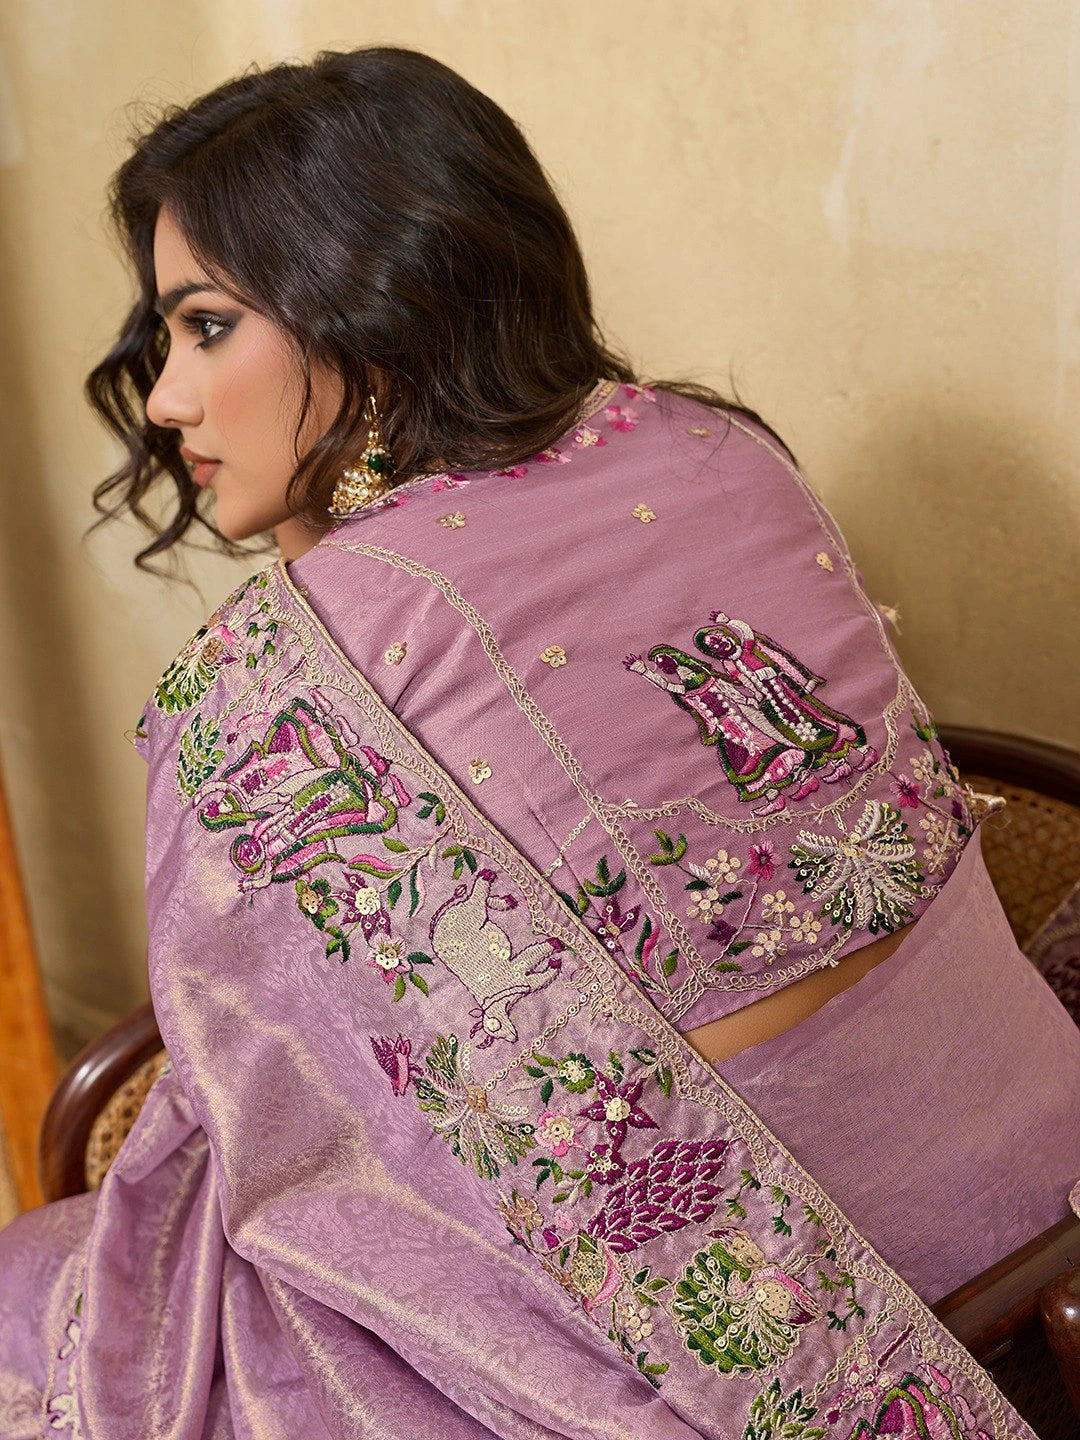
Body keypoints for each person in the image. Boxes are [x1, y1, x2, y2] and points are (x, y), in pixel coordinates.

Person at [0, 44, 1073, 1440]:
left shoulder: (275, 684)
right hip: (1023, 1181)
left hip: (747, 1327)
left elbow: (273, 1100)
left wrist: (316, 575)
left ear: (366, 302)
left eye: (205, 328)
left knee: (58, 1296)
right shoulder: (713, 448)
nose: (163, 400)